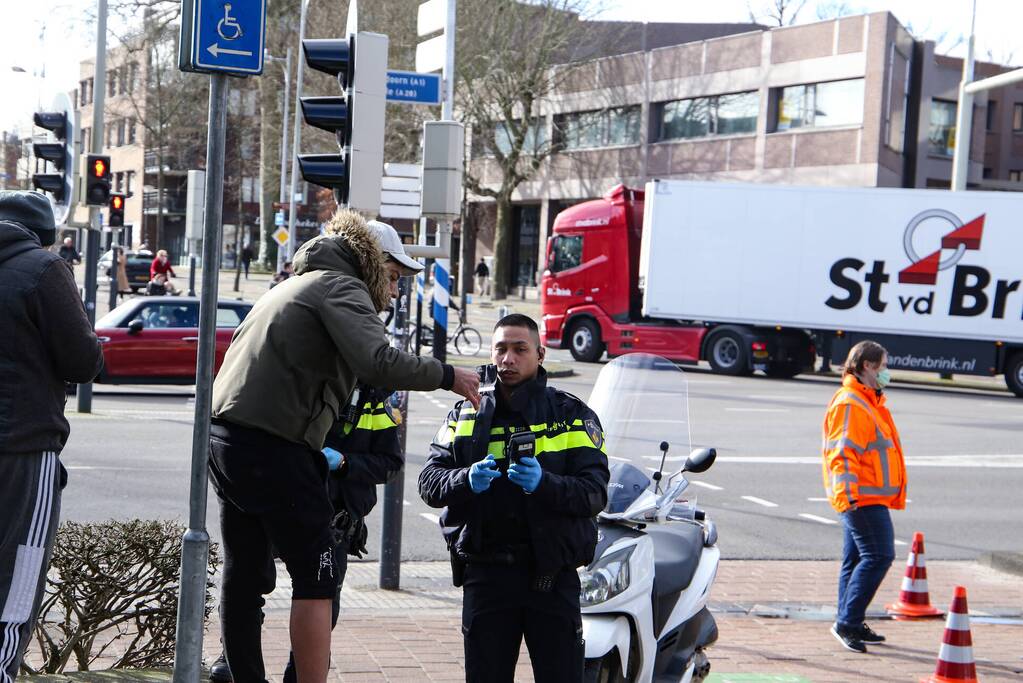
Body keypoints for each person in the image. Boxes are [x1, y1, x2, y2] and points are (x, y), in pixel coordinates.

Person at [209, 211, 480, 683]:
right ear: (371, 263)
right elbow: (377, 361)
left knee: (245, 574)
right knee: (319, 575)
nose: (395, 291)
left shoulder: (289, 287)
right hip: (275, 445)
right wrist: (448, 374)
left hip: (224, 441)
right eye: (393, 277)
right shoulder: (342, 286)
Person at [419, 314, 610, 683]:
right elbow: (429, 482)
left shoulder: (571, 415)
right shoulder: (466, 411)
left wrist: (545, 484)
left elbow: (594, 493)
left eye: (519, 349)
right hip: (487, 573)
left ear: (540, 354)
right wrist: (465, 480)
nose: (508, 359)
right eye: (501, 349)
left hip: (550, 577)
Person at [209, 384, 404, 683]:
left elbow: (390, 463)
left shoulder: (372, 396)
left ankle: (298, 673)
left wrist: (344, 463)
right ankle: (233, 661)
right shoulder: (302, 377)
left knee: (324, 598)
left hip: (333, 520)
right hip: (280, 501)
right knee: (248, 580)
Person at [0, 191, 104, 680]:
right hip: (23, 446)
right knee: (21, 568)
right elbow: (83, 360)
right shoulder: (43, 269)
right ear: (45, 234)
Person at [823, 340, 906, 654]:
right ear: (868, 366)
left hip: (865, 495)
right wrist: (849, 496)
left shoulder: (867, 400)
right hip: (861, 497)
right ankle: (847, 623)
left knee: (857, 559)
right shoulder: (852, 403)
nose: (886, 371)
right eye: (883, 365)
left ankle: (850, 621)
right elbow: (842, 454)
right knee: (879, 556)